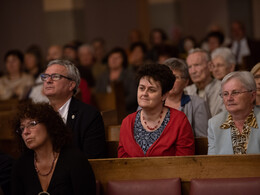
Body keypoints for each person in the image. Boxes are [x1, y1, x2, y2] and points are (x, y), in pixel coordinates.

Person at [11, 102, 96, 194]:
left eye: (32, 124)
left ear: (49, 124)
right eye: (22, 128)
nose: (25, 132)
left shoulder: (75, 159)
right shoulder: (21, 165)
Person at [118, 64, 195, 157]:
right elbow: (122, 164)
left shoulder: (179, 121)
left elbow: (184, 163)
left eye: (151, 90)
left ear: (164, 95)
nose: (144, 94)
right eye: (141, 88)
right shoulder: (127, 122)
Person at [42, 59, 106, 159]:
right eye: (45, 77)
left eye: (55, 76)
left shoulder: (89, 116)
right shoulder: (38, 114)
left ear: (71, 85)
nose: (48, 81)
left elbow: (93, 159)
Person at [208, 71, 260, 155]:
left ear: (252, 96)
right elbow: (212, 163)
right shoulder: (214, 124)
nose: (229, 98)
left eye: (235, 92)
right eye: (225, 94)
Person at [164, 58, 211, 137]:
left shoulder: (198, 104)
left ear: (186, 82)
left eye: (175, 77)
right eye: (167, 77)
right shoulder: (151, 101)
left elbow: (203, 141)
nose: (170, 81)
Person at [96, 47, 138, 114]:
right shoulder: (102, 76)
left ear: (123, 60)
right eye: (111, 57)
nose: (113, 60)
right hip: (106, 111)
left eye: (117, 58)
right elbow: (98, 94)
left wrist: (118, 104)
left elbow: (133, 95)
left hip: (127, 111)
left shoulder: (130, 75)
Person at [185, 48, 224, 116]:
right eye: (190, 67)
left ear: (210, 66)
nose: (193, 71)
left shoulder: (224, 90)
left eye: (197, 65)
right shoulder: (186, 92)